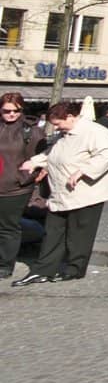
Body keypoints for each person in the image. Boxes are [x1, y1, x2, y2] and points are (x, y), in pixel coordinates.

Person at [13, 102, 108, 286]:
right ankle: (43, 269)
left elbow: (106, 156)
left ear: (70, 117)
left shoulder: (96, 132)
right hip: (61, 192)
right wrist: (34, 162)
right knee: (53, 231)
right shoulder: (65, 134)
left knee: (80, 233)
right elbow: (53, 153)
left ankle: (75, 268)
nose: (57, 127)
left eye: (58, 123)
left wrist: (82, 171)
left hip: (85, 193)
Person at [0, 94, 45, 280]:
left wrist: (23, 178)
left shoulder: (30, 131)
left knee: (8, 227)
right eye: (6, 110)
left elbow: (40, 158)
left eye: (16, 111)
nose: (11, 114)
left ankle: (4, 265)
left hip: (15, 188)